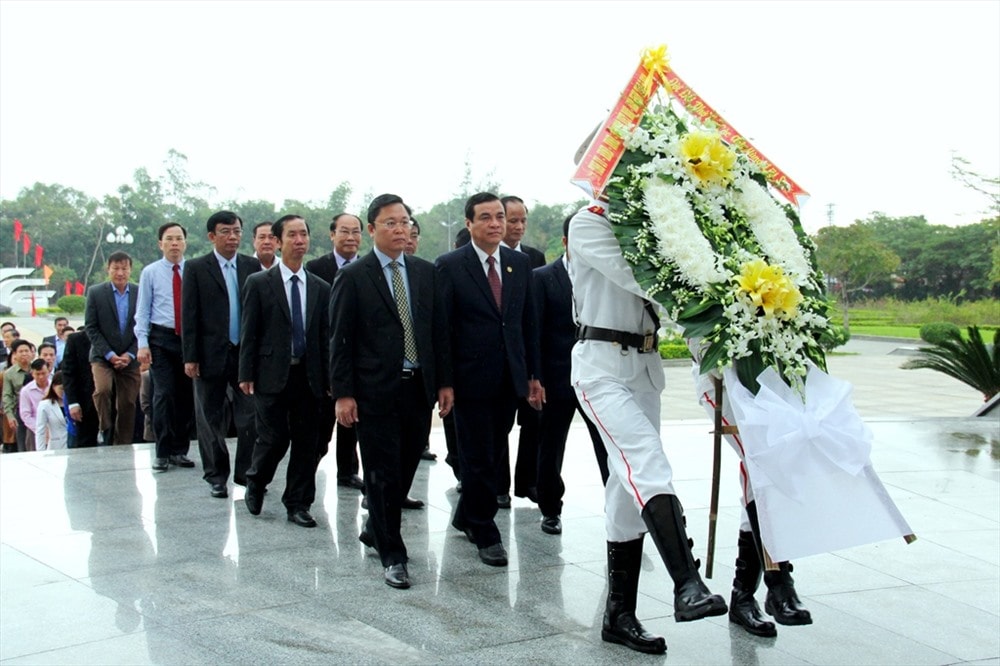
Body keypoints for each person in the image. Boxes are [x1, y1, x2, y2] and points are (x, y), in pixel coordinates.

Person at [568, 202, 726, 654]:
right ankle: (687, 582)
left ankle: (619, 615)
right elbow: (647, 279)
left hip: (645, 368)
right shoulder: (589, 222)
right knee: (645, 461)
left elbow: (675, 302)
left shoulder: (655, 222)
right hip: (601, 368)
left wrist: (710, 350)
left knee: (625, 489)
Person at [330, 194, 453, 588]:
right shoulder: (353, 276)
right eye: (391, 223)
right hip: (374, 390)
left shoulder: (424, 272)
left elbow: (438, 332)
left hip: (418, 387)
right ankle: (393, 554)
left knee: (404, 469)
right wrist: (344, 394)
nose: (401, 229)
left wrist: (444, 382)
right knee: (381, 474)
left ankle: (376, 527)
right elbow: (340, 339)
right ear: (372, 229)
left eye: (405, 222)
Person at [435, 192, 543, 567]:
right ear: (469, 224)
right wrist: (444, 381)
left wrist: (533, 375)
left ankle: (466, 514)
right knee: (478, 458)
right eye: (486, 217)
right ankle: (485, 530)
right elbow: (442, 329)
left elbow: (527, 324)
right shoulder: (450, 265)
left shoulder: (519, 263)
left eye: (500, 216)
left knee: (494, 450)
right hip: (469, 379)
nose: (496, 223)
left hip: (509, 377)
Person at [689, 360, 812, 636]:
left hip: (764, 381)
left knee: (765, 468)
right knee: (759, 461)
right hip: (720, 379)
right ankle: (779, 581)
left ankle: (744, 596)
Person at [239, 214, 330, 528]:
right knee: (274, 437)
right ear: (277, 241)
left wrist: (330, 378)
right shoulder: (259, 283)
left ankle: (298, 503)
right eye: (292, 235)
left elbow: (324, 336)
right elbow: (249, 331)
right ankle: (256, 480)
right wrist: (245, 373)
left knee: (308, 442)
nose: (300, 240)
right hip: (270, 373)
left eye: (304, 234)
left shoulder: (320, 287)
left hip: (309, 375)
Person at [532, 215, 611, 535]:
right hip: (556, 377)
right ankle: (550, 509)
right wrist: (535, 377)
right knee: (550, 447)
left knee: (608, 445)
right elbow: (534, 330)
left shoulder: (604, 275)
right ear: (565, 242)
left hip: (597, 377)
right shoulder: (542, 277)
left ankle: (619, 508)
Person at [182, 210, 261, 499]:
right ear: (212, 236)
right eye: (226, 232)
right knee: (210, 418)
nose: (233, 237)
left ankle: (245, 474)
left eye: (237, 231)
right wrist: (190, 356)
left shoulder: (252, 266)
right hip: (208, 354)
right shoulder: (196, 268)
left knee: (250, 417)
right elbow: (189, 315)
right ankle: (216, 475)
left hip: (245, 355)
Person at [305, 213, 364, 491]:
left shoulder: (367, 267)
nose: (351, 237)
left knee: (351, 421)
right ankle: (306, 472)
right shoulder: (316, 268)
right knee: (321, 423)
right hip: (325, 355)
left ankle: (348, 472)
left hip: (357, 355)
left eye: (356, 232)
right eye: (344, 231)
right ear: (332, 235)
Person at [496, 195, 548, 508]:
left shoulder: (534, 257)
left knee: (535, 422)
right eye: (511, 220)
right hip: (498, 361)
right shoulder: (480, 258)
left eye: (522, 220)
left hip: (529, 355)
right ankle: (498, 486)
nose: (518, 227)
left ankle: (527, 482)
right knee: (498, 427)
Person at [136, 223, 195, 471]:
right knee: (164, 394)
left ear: (185, 243)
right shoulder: (150, 272)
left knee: (185, 397)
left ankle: (179, 450)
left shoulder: (193, 270)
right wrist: (142, 343)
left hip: (188, 340)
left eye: (179, 238)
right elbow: (142, 310)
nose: (174, 243)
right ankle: (162, 451)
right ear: (160, 244)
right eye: (169, 239)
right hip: (160, 339)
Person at [85, 251, 141, 446]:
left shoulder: (139, 292)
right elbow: (91, 327)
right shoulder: (96, 292)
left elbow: (143, 326)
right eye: (116, 268)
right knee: (102, 390)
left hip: (130, 356)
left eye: (124, 268)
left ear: (130, 270)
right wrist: (109, 355)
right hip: (103, 356)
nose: (120, 273)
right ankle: (105, 428)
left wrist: (130, 354)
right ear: (108, 269)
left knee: (128, 403)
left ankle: (122, 442)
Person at [61, 329, 99, 448]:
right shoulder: (76, 340)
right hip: (84, 401)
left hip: (110, 401)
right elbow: (68, 373)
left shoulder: (116, 336)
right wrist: (73, 403)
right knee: (85, 443)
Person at [3, 339, 36, 451]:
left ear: (32, 353)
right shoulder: (9, 374)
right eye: (21, 351)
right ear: (15, 354)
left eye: (27, 351)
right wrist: (10, 416)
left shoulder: (38, 369)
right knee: (22, 444)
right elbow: (7, 396)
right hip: (21, 411)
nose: (24, 354)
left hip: (38, 410)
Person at [18, 358, 51, 451]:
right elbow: (25, 415)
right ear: (32, 373)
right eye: (37, 374)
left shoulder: (54, 387)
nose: (41, 377)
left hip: (54, 428)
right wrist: (40, 430)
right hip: (34, 430)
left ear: (48, 372)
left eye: (43, 373)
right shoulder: (26, 391)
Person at [35, 371, 68, 451]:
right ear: (53, 387)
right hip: (56, 448)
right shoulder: (45, 405)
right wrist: (40, 452)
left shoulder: (75, 403)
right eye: (61, 389)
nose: (64, 392)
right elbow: (40, 431)